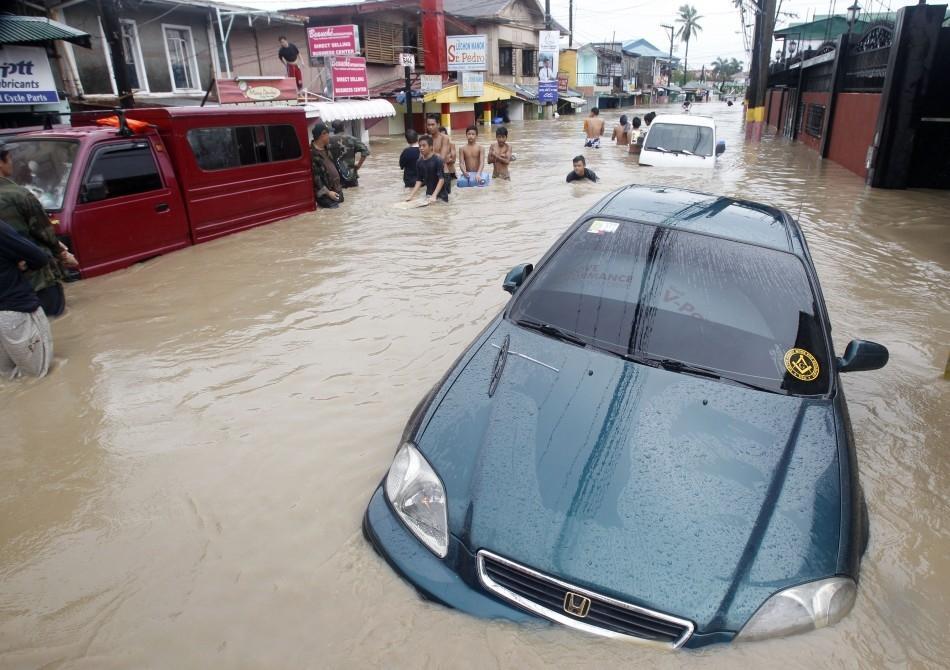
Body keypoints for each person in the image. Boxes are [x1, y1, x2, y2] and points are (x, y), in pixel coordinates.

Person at [0, 145, 77, 317]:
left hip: (7, 285)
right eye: (10, 158)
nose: (12, 163)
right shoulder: (19, 195)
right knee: (53, 319)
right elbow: (44, 232)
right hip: (36, 277)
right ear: (1, 162)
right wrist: (62, 253)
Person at [0, 219, 54, 379]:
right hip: (13, 309)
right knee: (37, 376)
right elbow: (39, 257)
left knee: (6, 377)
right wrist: (19, 263)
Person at [309, 123, 344, 209]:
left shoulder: (328, 149)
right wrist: (328, 193)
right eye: (328, 133)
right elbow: (316, 179)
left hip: (337, 191)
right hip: (325, 195)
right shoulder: (312, 154)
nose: (330, 136)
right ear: (323, 134)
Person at [406, 134, 447, 204]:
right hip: (428, 195)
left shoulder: (438, 160)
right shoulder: (419, 162)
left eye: (424, 146)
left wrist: (434, 195)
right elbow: (419, 180)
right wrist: (411, 196)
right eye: (420, 146)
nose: (421, 148)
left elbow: (441, 179)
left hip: (441, 196)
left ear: (431, 147)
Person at [329, 120, 370, 187]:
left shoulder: (328, 141)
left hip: (335, 176)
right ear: (343, 127)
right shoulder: (352, 139)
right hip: (351, 176)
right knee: (354, 195)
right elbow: (365, 150)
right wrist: (359, 165)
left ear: (333, 129)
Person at [439, 126, 457, 196]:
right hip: (440, 173)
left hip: (450, 173)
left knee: (451, 194)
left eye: (444, 135)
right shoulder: (435, 146)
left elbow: (453, 160)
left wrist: (446, 159)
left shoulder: (451, 145)